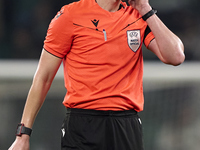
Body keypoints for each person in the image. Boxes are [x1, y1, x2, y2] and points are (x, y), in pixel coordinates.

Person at [9, 0, 185, 149]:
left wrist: (146, 10)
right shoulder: (70, 16)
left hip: (126, 123)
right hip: (83, 123)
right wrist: (23, 134)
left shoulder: (137, 16)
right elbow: (43, 77)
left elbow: (176, 56)